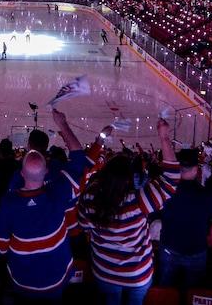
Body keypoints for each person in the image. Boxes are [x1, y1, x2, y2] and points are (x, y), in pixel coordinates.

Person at [0, 110, 92, 303]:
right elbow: (79, 158)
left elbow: (0, 249)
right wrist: (62, 124)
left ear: (21, 173)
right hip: (57, 280)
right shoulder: (59, 193)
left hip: (21, 282)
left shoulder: (9, 202)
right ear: (46, 171)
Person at [78, 120, 180, 305]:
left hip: (105, 271)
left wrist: (100, 140)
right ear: (128, 179)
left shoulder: (90, 198)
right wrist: (164, 137)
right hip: (136, 273)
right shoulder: (139, 201)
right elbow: (171, 179)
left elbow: (85, 227)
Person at [155, 148, 212, 293]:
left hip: (169, 248)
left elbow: (153, 213)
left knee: (164, 290)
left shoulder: (165, 191)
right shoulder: (207, 195)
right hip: (196, 251)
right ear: (194, 170)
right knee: (193, 292)